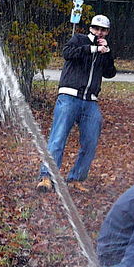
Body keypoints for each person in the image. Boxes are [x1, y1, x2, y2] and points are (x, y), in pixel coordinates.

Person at [37, 15, 117, 190]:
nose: (99, 32)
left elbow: (110, 73)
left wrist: (107, 53)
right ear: (90, 28)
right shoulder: (79, 40)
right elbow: (67, 53)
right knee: (58, 138)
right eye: (96, 28)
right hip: (69, 96)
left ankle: (75, 179)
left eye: (103, 30)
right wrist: (92, 49)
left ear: (107, 32)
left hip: (90, 101)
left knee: (90, 141)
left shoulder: (104, 50)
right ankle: (46, 177)